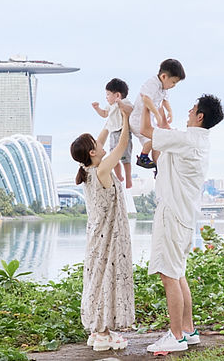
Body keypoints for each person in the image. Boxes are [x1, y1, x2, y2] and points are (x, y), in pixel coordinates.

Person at [140, 94, 224, 353]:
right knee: (178, 274)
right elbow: (159, 144)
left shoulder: (188, 139)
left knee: (169, 276)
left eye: (193, 108)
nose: (189, 110)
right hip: (185, 217)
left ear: (200, 116)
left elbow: (145, 131)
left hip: (172, 214)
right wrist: (161, 116)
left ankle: (175, 336)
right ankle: (188, 330)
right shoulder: (198, 142)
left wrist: (147, 103)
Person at [71, 110, 135, 352]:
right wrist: (127, 119)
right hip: (109, 236)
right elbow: (122, 146)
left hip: (96, 235)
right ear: (92, 152)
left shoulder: (88, 170)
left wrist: (111, 120)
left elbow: (103, 137)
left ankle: (98, 330)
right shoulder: (102, 169)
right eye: (97, 144)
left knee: (96, 280)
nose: (101, 143)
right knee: (107, 279)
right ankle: (103, 333)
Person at [131, 58, 185, 170]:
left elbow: (165, 101)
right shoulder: (152, 83)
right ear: (164, 76)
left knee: (157, 145)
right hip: (137, 120)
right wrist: (156, 114)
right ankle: (143, 157)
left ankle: (158, 167)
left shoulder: (164, 89)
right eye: (173, 82)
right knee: (154, 139)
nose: (174, 85)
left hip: (149, 121)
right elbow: (146, 98)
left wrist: (170, 111)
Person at [91, 77, 133, 189]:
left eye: (108, 94)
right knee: (113, 157)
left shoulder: (125, 102)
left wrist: (121, 105)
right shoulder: (109, 106)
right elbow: (104, 114)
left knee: (126, 159)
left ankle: (128, 179)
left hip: (123, 132)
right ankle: (119, 176)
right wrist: (97, 108)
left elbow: (130, 110)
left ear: (117, 95)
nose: (106, 97)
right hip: (113, 133)